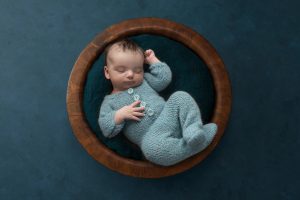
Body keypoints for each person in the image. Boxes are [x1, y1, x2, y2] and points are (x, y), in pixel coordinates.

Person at [98, 39, 218, 166]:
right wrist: (119, 115)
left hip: (171, 118)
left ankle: (193, 130)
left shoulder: (144, 82)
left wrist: (153, 60)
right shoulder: (109, 102)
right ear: (107, 72)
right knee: (151, 150)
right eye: (122, 70)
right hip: (154, 137)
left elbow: (163, 79)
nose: (130, 75)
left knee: (180, 96)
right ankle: (195, 144)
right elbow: (107, 129)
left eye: (138, 70)